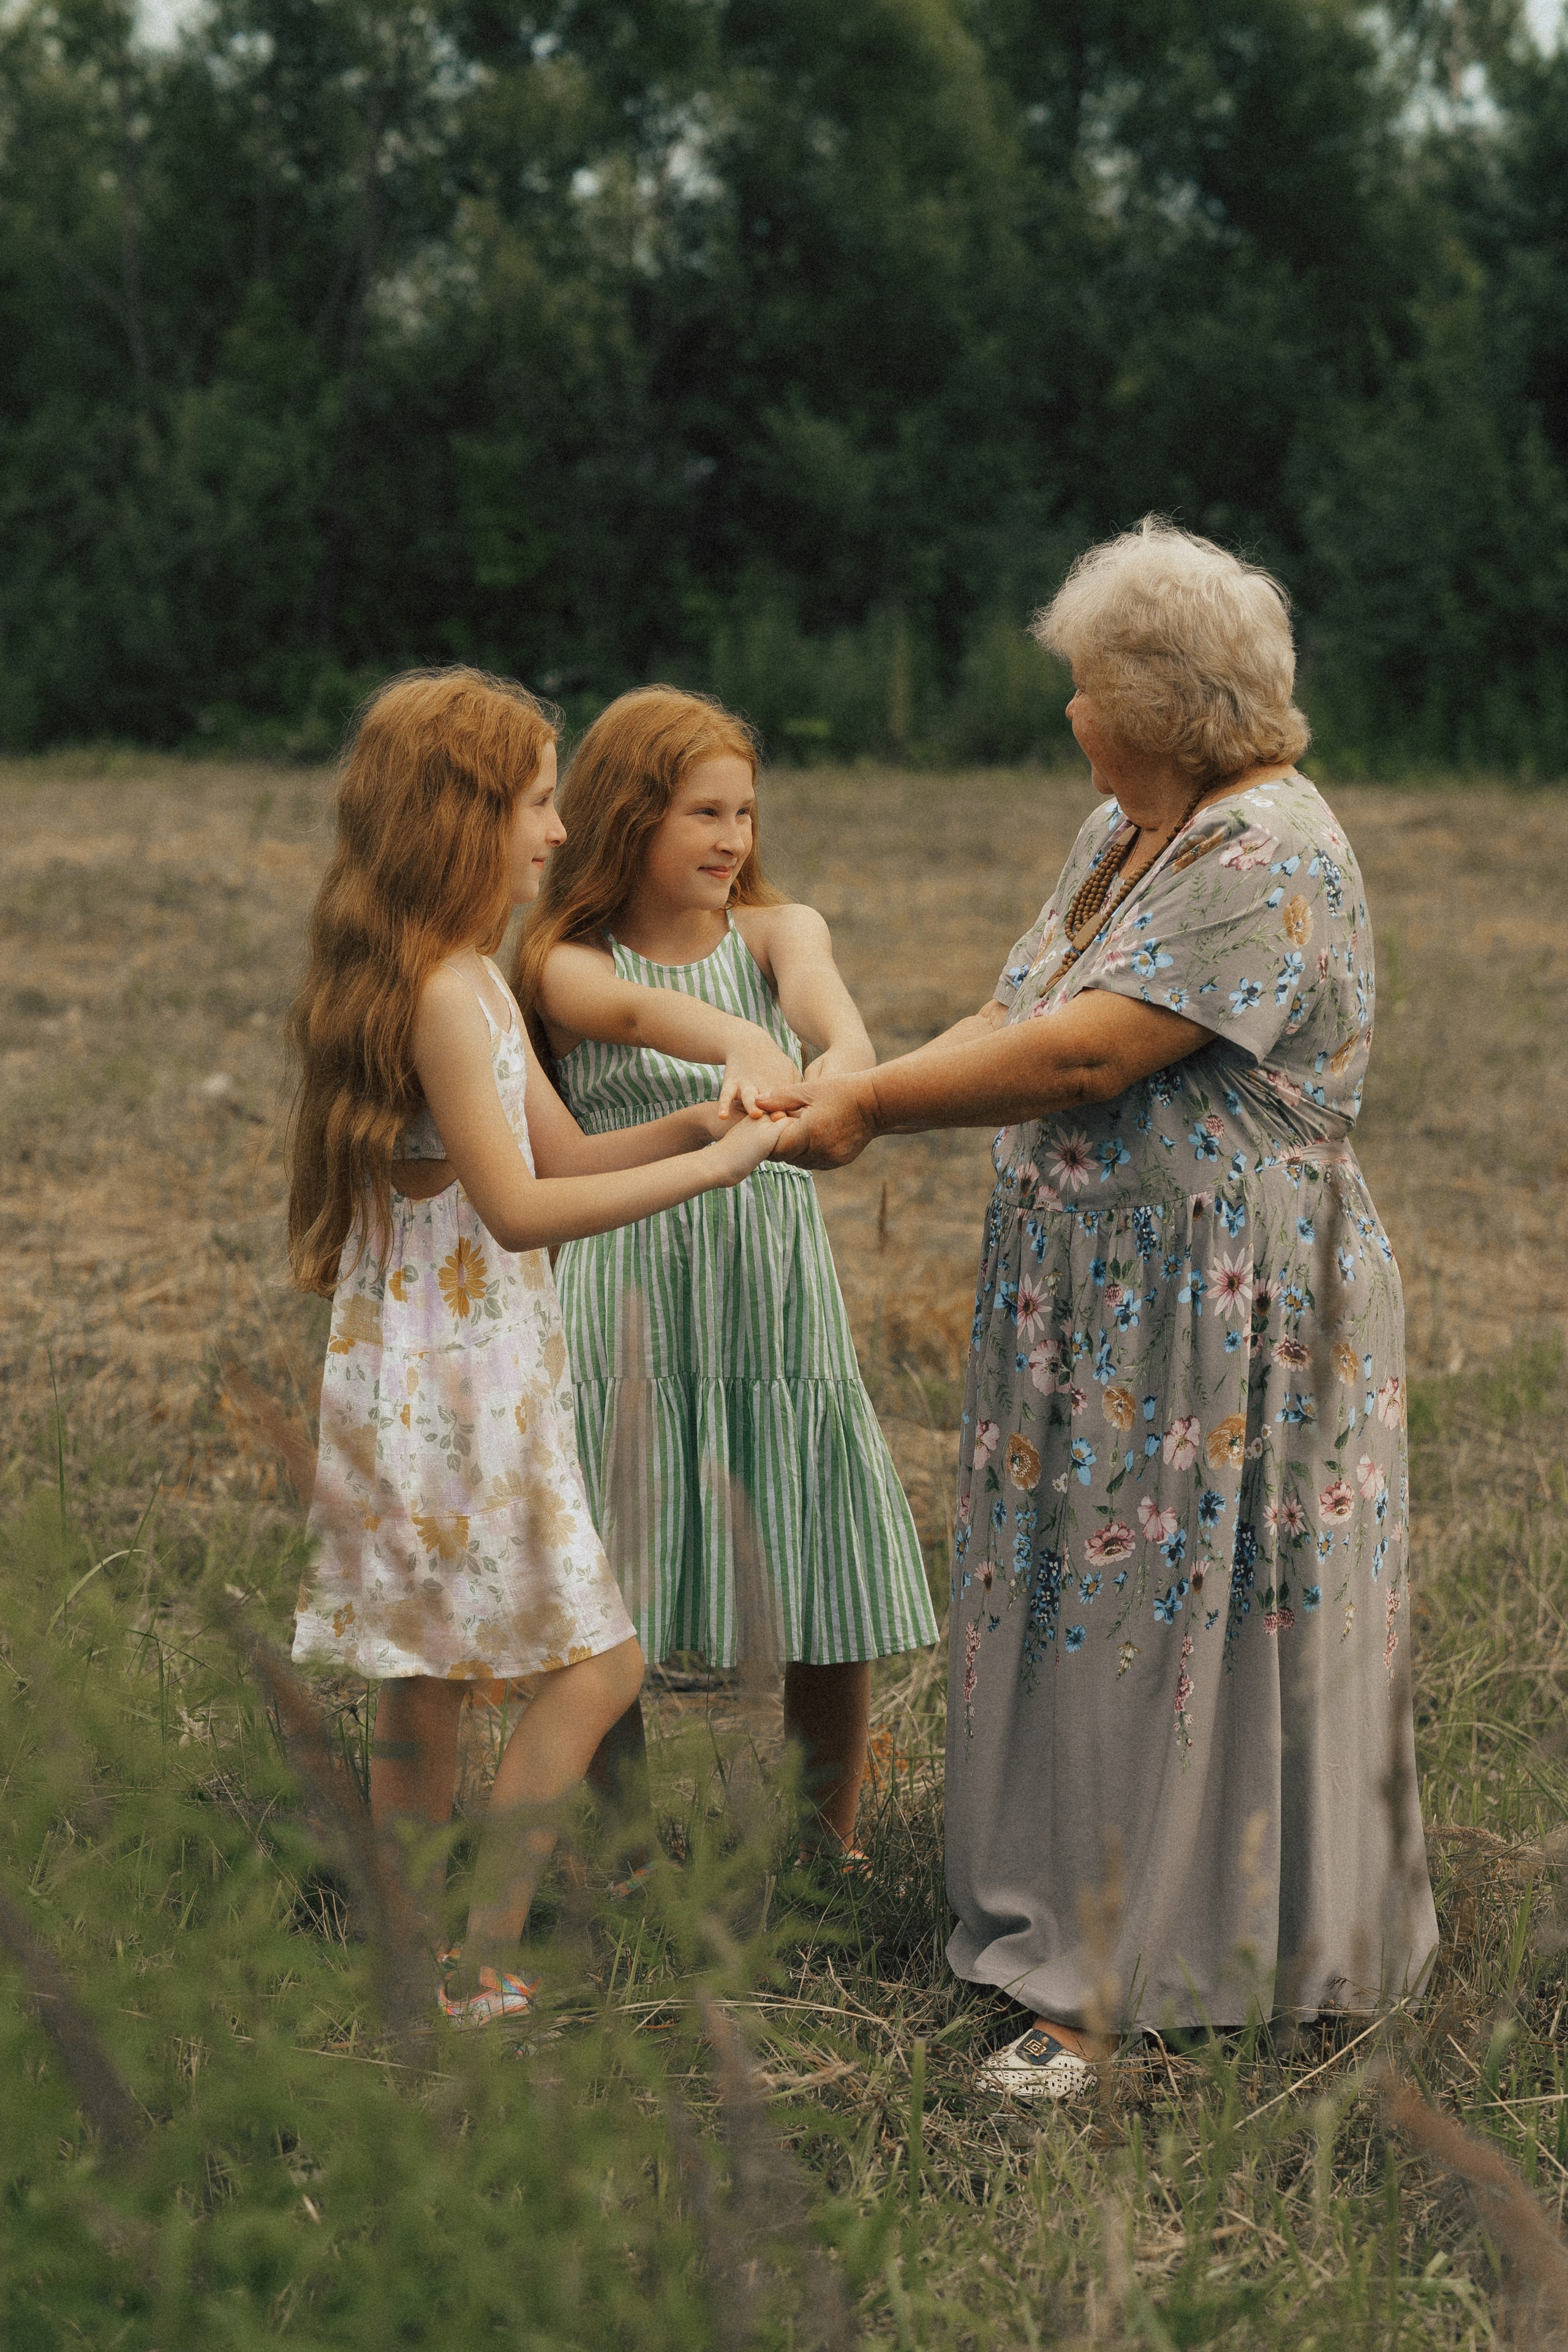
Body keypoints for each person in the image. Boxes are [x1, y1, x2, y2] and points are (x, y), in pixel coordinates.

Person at [760, 520, 1438, 2096]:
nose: (1068, 714)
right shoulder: (1127, 827)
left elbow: (1083, 1058)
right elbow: (1019, 1009)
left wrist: (865, 1115)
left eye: (1085, 688)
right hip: (1105, 1308)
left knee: (1183, 1610)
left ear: (1163, 700)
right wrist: (849, 1084)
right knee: (1099, 1600)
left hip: (1223, 1310)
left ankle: (1141, 1975)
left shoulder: (1265, 847)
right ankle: (1081, 1917)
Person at [286, 668, 778, 2027]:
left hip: (451, 1368)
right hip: (453, 1380)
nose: (559, 834)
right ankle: (472, 1956)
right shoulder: (445, 994)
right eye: (537, 803)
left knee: (428, 1687)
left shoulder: (473, 986)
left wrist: (690, 1122)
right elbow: (518, 1209)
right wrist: (716, 1172)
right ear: (460, 817)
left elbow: (558, 1152)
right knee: (596, 1665)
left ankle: (414, 1957)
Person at [514, 685, 937, 1869]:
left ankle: (822, 1847)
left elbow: (836, 1032)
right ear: (626, 817)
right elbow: (637, 1011)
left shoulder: (778, 930)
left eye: (745, 813)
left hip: (770, 1294)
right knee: (611, 1571)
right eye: (704, 813)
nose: (733, 839)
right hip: (627, 1291)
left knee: (820, 1563)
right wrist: (738, 1048)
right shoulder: (563, 960)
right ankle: (621, 1847)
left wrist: (826, 1071)